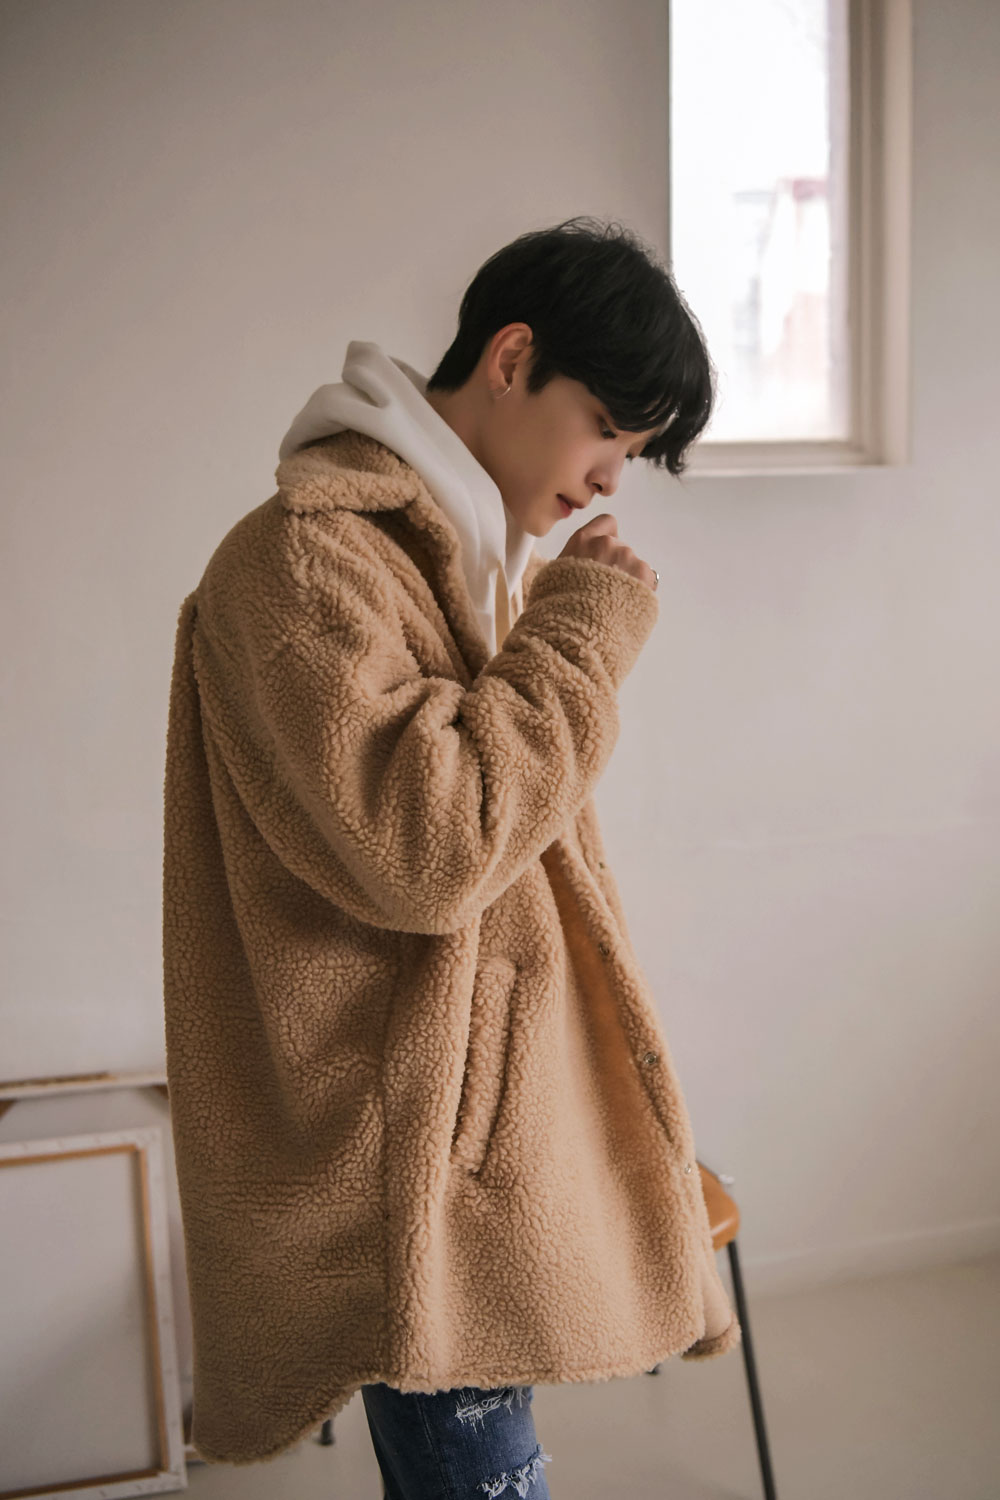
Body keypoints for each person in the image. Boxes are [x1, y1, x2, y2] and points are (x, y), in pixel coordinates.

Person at [162, 216, 741, 1495]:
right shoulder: (304, 560)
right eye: (606, 430)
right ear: (512, 358)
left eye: (632, 455)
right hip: (402, 1172)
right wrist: (576, 637)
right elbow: (431, 852)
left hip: (462, 1147)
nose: (608, 481)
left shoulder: (458, 559)